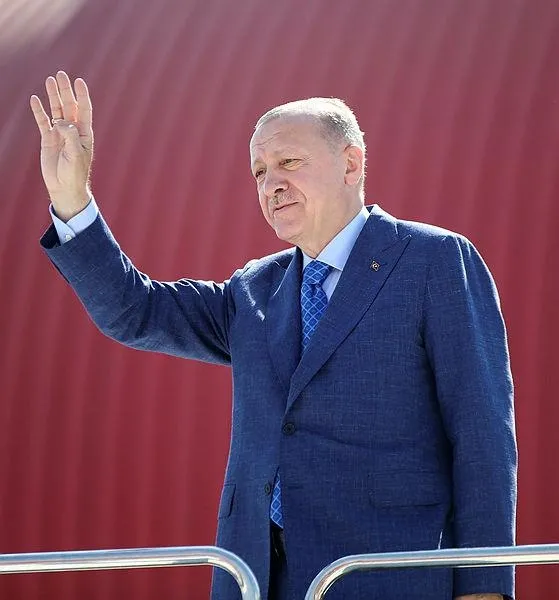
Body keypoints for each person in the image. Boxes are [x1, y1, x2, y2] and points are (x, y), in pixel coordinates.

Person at [30, 71, 517, 600]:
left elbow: (482, 436)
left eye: (289, 163)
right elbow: (135, 311)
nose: (270, 185)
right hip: (256, 577)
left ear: (351, 163)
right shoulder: (254, 288)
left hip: (382, 574)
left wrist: (484, 584)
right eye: (259, 172)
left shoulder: (434, 260)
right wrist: (73, 200)